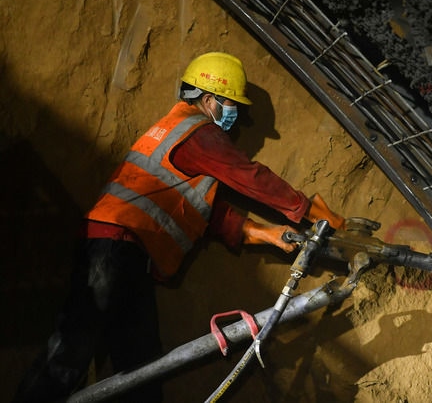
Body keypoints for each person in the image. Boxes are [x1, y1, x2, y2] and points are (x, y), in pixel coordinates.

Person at [14, 52, 345, 402]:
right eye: (231, 103)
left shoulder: (178, 133)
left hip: (125, 253)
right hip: (115, 247)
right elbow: (249, 176)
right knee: (72, 349)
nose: (234, 113)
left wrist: (265, 234)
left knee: (141, 365)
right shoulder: (198, 132)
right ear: (209, 99)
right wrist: (307, 209)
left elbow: (201, 210)